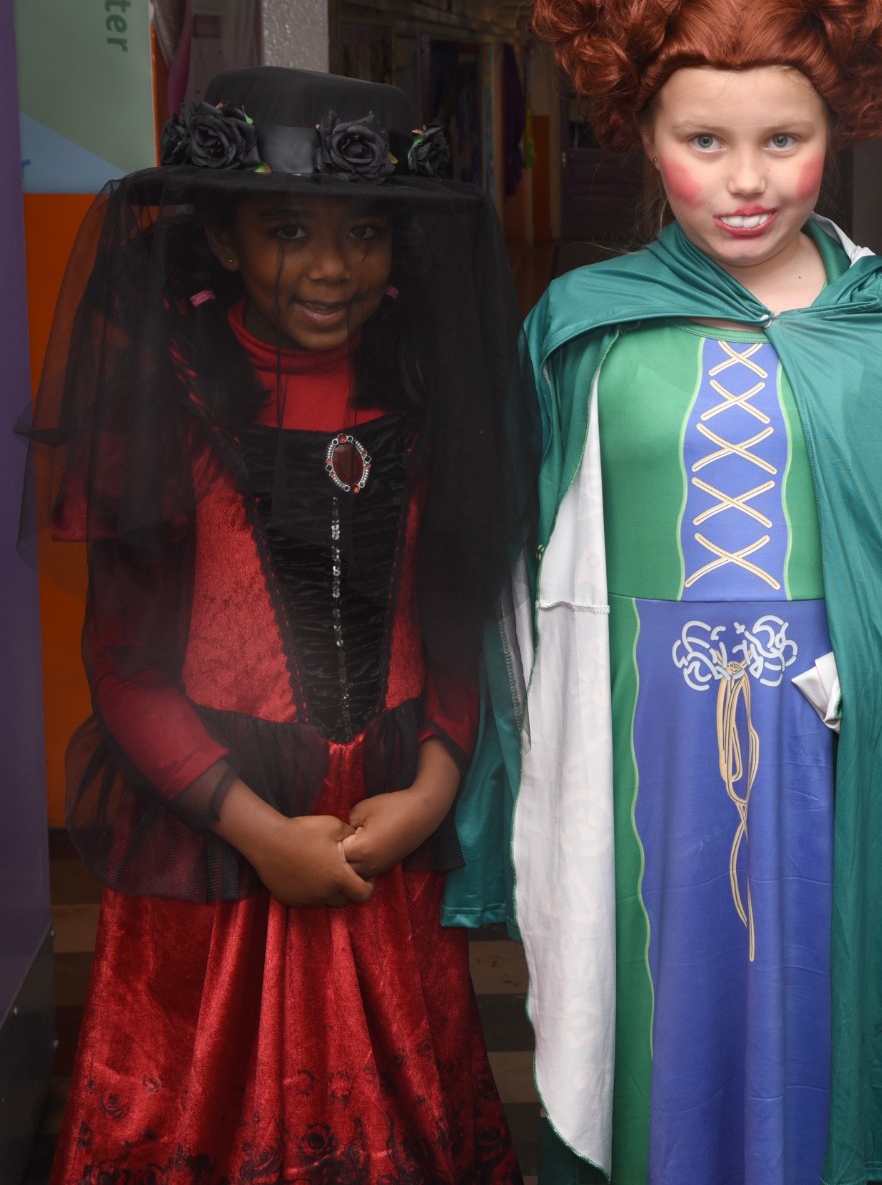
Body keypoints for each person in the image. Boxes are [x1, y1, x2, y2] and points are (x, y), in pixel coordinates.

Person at [444, 0, 882, 1185]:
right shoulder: (582, 320)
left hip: (836, 738)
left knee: (818, 1011)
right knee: (654, 1010)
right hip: (637, 730)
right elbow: (517, 566)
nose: (747, 181)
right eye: (705, 139)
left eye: (782, 139)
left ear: (836, 132)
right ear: (644, 135)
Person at [27, 68, 528, 1181]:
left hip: (386, 836)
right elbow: (125, 663)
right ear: (222, 236)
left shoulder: (425, 389)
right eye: (289, 230)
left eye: (364, 232)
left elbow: (452, 609)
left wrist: (434, 787)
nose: (332, 267)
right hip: (217, 849)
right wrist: (261, 833)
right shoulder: (164, 399)